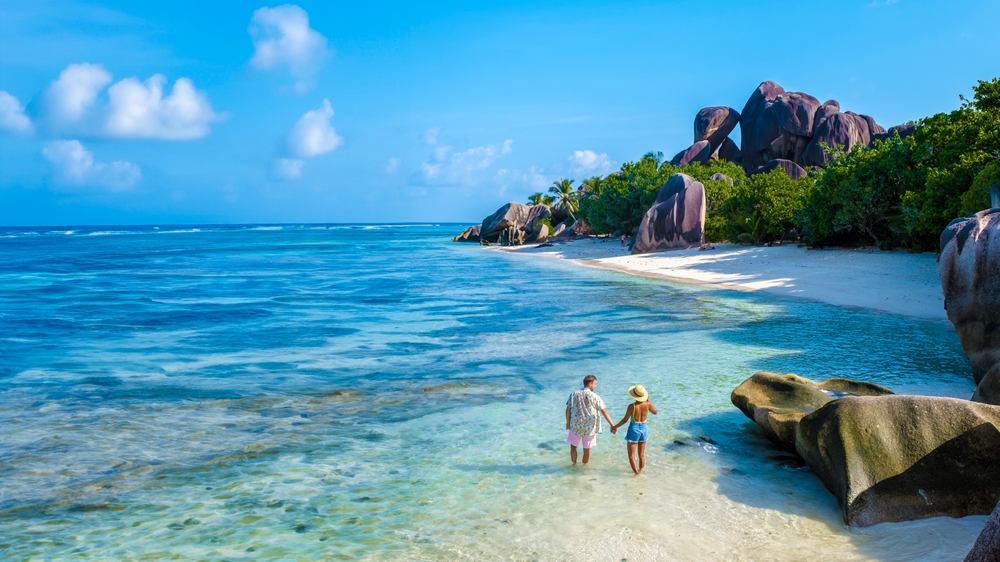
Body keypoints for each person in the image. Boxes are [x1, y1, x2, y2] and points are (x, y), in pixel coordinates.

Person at [565, 375, 616, 465]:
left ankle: (574, 465)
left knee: (573, 447)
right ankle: (585, 468)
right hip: (590, 427)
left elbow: (568, 410)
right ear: (591, 384)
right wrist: (612, 425)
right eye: (595, 384)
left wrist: (568, 423)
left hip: (575, 425)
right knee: (586, 449)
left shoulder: (574, 394)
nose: (595, 386)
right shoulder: (595, 396)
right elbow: (604, 411)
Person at [611, 384, 658, 475]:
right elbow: (655, 412)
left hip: (634, 429)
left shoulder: (632, 406)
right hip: (644, 429)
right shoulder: (647, 404)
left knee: (632, 456)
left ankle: (636, 474)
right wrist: (649, 401)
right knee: (641, 455)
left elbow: (625, 420)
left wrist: (614, 427)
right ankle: (641, 470)